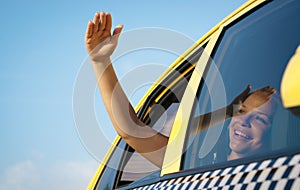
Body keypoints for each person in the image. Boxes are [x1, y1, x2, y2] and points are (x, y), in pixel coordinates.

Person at [84, 11, 275, 167]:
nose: (244, 122)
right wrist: (100, 62)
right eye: (242, 112)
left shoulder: (270, 178)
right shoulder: (195, 166)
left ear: (276, 130)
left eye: (260, 119)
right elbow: (130, 129)